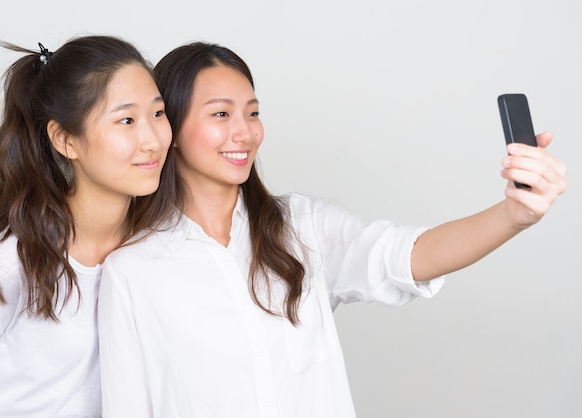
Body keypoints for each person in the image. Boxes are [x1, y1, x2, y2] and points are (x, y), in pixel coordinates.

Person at [97, 42, 567, 418]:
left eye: (253, 112)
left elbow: (409, 255)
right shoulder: (132, 270)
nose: (245, 132)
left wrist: (513, 215)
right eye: (221, 114)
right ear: (170, 128)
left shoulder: (301, 228)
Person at [0, 35, 173, 417]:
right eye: (126, 120)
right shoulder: (10, 264)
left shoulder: (157, 250)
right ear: (65, 139)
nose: (152, 139)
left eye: (158, 114)